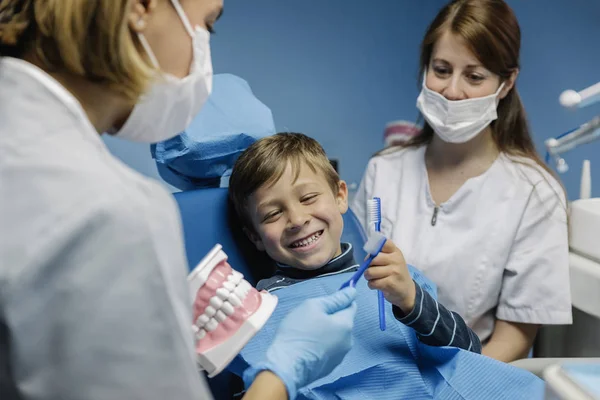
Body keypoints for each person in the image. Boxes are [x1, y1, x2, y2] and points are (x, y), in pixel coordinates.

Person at [0, 1, 356, 400]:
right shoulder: (114, 209)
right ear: (141, 8)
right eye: (207, 25)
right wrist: (284, 370)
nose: (202, 54)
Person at [352, 0, 571, 363]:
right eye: (441, 69)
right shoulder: (385, 170)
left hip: (466, 371)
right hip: (375, 364)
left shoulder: (535, 194)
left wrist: (457, 384)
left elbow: (515, 336)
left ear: (506, 83)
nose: (452, 91)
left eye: (474, 76)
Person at [228, 133, 482, 359]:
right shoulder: (258, 310)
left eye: (308, 198)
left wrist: (411, 300)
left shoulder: (397, 283)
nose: (297, 220)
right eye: (273, 214)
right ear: (255, 237)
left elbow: (472, 356)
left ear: (340, 196)